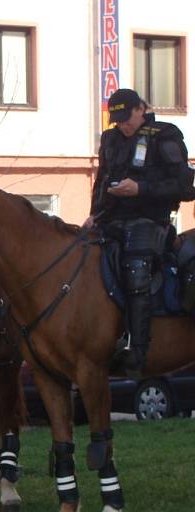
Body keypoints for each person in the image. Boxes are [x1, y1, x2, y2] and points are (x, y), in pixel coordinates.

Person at [85, 88, 194, 378]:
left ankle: (138, 349)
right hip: (111, 219)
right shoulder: (110, 139)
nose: (123, 125)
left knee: (136, 267)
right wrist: (94, 214)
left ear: (140, 109)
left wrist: (140, 189)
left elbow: (185, 187)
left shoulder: (164, 135)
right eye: (117, 120)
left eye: (126, 118)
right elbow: (102, 180)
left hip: (150, 220)